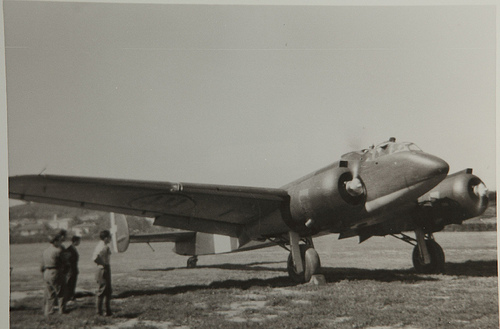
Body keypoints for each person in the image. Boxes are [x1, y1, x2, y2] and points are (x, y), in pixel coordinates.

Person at [41, 234, 66, 316]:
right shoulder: (58, 251)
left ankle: (49, 311)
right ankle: (62, 311)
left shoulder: (45, 251)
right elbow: (63, 262)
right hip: (55, 271)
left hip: (46, 272)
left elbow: (42, 264)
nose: (60, 243)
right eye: (59, 241)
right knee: (61, 293)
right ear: (55, 241)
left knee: (50, 294)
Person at [92, 230, 113, 316]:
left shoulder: (105, 246)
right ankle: (99, 312)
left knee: (108, 290)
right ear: (105, 238)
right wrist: (103, 264)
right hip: (102, 269)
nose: (110, 238)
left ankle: (108, 311)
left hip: (106, 268)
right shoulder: (101, 246)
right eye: (109, 237)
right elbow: (94, 258)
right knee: (102, 291)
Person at [65, 236, 81, 302]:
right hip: (70, 270)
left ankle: (71, 296)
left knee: (73, 283)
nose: (79, 243)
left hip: (74, 269)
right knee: (69, 283)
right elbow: (67, 260)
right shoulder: (69, 249)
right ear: (75, 241)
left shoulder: (73, 248)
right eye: (79, 241)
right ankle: (68, 297)